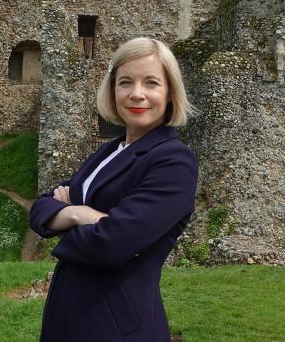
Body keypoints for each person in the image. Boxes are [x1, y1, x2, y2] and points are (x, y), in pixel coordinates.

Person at [29, 37, 199, 341]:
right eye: (125, 82)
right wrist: (80, 215)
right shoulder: (109, 151)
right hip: (69, 316)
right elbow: (42, 208)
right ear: (112, 89)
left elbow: (113, 243)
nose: (137, 94)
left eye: (151, 83)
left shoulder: (174, 161)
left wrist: (68, 213)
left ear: (170, 92)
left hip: (115, 327)